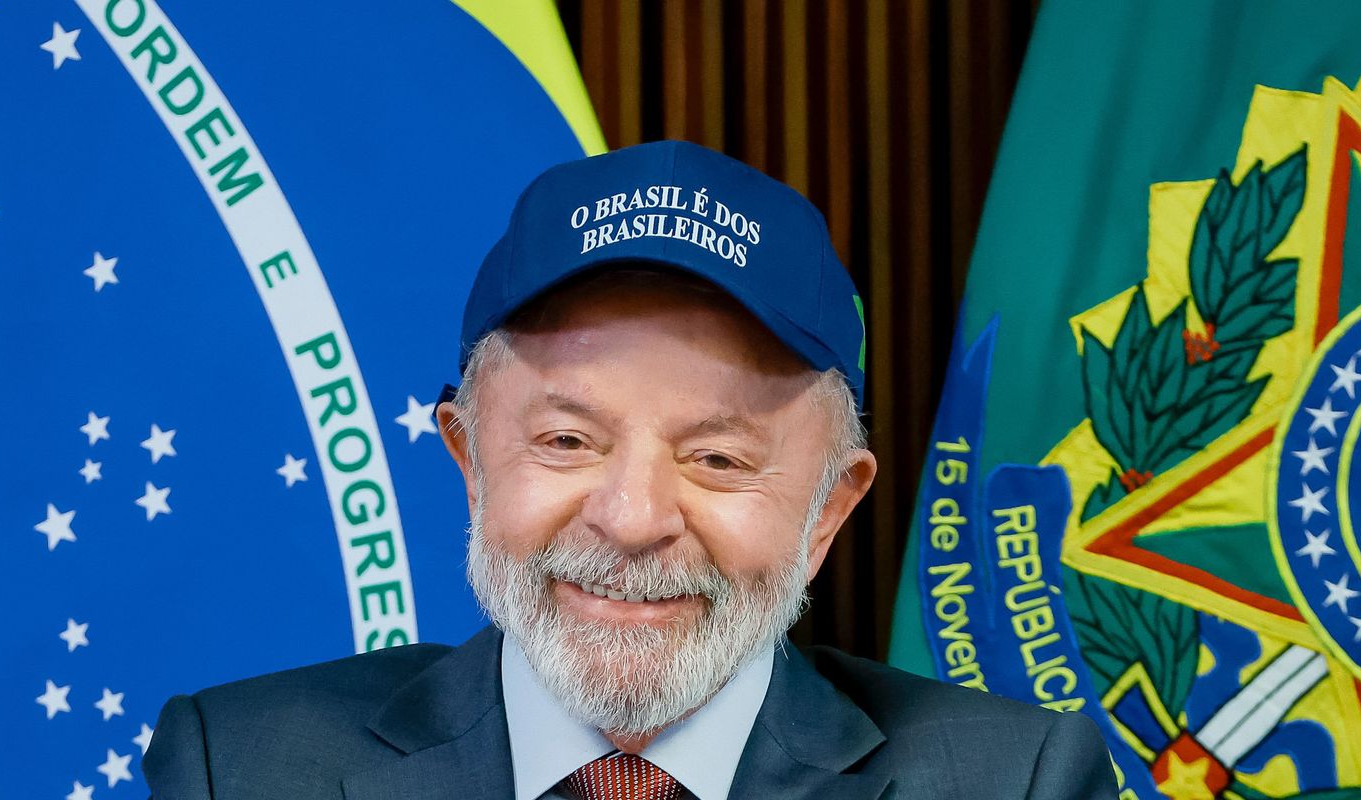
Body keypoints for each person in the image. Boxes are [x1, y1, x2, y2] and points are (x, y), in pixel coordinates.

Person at [143, 140, 1117, 799]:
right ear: (470, 460)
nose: (633, 515)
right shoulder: (242, 768)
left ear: (827, 508)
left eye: (717, 457)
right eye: (567, 441)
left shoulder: (1016, 780)